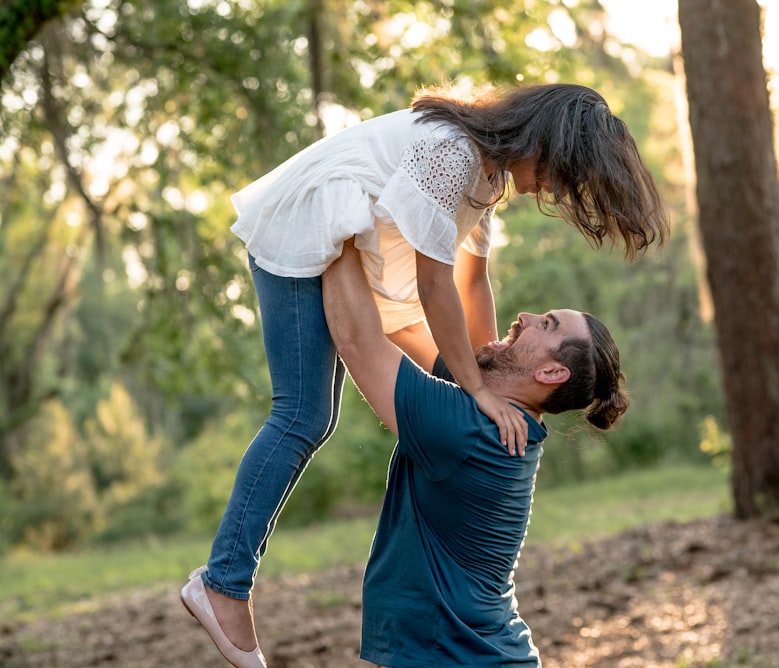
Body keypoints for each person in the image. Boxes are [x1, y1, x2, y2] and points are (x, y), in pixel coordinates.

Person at [182, 82, 666, 667]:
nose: (559, 192)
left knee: (313, 414)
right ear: (548, 144)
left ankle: (225, 582)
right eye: (566, 174)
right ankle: (225, 583)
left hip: (354, 236)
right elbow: (436, 286)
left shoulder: (487, 179)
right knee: (302, 414)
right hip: (309, 212)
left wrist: (478, 376)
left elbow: (470, 284)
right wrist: (479, 383)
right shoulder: (454, 153)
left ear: (552, 372)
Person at [329, 238, 629, 666]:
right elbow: (420, 315)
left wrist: (334, 225)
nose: (524, 317)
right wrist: (480, 218)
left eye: (545, 324)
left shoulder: (474, 430)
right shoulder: (496, 410)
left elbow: (357, 339)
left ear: (550, 372)